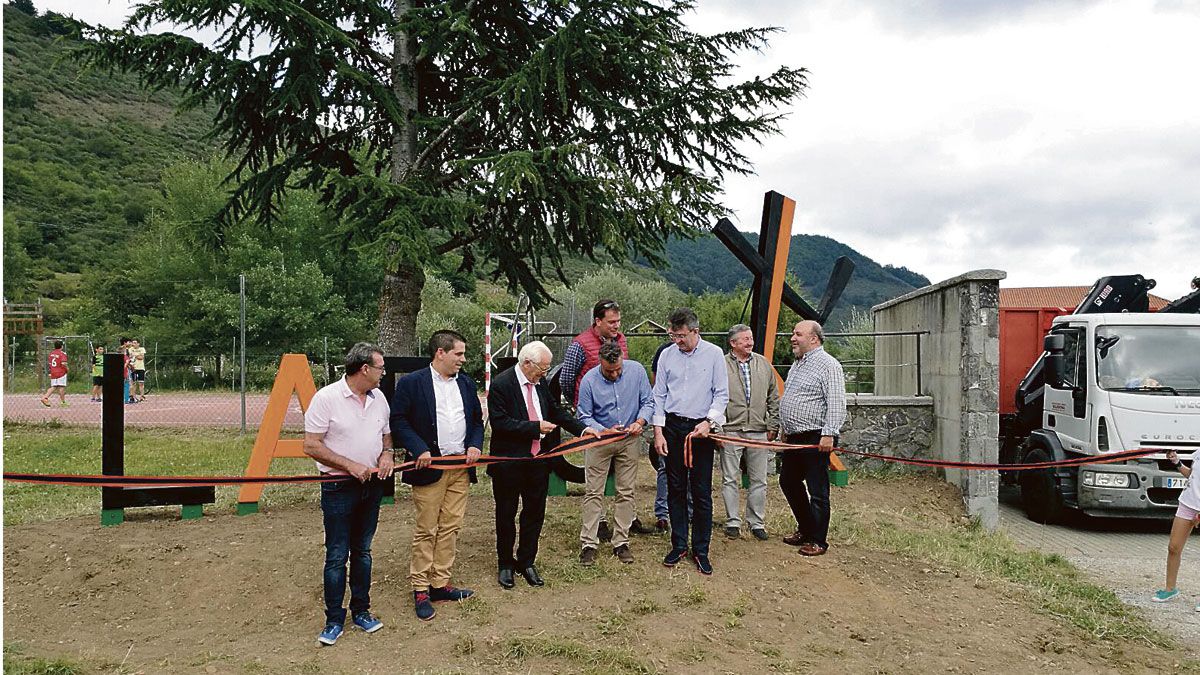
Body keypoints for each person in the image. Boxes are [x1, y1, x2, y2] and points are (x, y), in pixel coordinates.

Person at [302, 342, 395, 646]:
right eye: (380, 367)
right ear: (365, 369)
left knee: (364, 550)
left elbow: (386, 436)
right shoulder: (326, 398)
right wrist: (350, 465)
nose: (384, 373)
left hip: (372, 486)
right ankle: (333, 619)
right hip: (338, 487)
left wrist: (387, 456)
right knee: (337, 554)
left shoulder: (379, 398)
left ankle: (362, 611)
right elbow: (311, 445)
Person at [487, 341, 598, 589]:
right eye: (542, 369)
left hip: (538, 463)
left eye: (547, 370)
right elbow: (501, 423)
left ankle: (527, 561)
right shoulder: (501, 385)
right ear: (527, 363)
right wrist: (535, 428)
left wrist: (583, 429)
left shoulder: (540, 385)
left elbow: (556, 411)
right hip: (509, 463)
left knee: (534, 513)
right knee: (506, 514)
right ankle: (505, 563)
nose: (544, 374)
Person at [390, 330, 483, 621]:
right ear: (440, 353)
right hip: (429, 469)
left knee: (451, 527)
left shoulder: (466, 384)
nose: (463, 360)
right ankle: (420, 588)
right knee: (427, 528)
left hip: (460, 469)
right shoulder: (411, 383)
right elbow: (399, 420)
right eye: (458, 354)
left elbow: (477, 421)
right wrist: (418, 449)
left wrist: (474, 445)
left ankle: (440, 583)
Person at [558, 299, 652, 537]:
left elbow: (627, 376)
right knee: (595, 481)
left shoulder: (621, 342)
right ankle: (597, 523)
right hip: (595, 422)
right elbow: (567, 379)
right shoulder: (580, 344)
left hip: (624, 426)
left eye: (618, 321)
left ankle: (627, 521)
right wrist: (580, 406)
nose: (616, 326)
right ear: (597, 321)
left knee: (625, 483)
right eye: (611, 322)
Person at [652, 308, 729, 575]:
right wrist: (658, 432)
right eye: (673, 335)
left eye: (682, 335)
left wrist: (709, 422)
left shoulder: (715, 354)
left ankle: (701, 549)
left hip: (701, 430)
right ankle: (679, 544)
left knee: (701, 491)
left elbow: (721, 394)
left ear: (696, 331)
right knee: (675, 487)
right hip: (673, 427)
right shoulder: (666, 355)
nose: (677, 341)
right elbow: (658, 395)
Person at [575, 341, 654, 565]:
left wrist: (640, 421)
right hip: (600, 441)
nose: (615, 373)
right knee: (593, 492)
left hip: (630, 440)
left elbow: (648, 401)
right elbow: (584, 415)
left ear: (622, 360)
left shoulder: (637, 370)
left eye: (618, 368)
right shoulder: (589, 380)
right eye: (609, 371)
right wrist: (603, 430)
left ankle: (621, 541)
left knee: (626, 491)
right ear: (600, 363)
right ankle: (588, 544)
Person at [779, 320, 847, 557]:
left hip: (816, 436)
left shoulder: (829, 365)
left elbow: (837, 402)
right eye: (793, 334)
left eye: (798, 334)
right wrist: (784, 430)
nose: (792, 338)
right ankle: (806, 529)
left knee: (818, 490)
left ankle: (818, 540)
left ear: (814, 339)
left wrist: (829, 433)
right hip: (794, 437)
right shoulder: (798, 364)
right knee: (788, 481)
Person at [719, 324, 781, 541]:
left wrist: (773, 424)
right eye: (744, 339)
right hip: (730, 430)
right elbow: (714, 396)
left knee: (759, 479)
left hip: (758, 430)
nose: (750, 342)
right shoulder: (720, 365)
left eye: (751, 337)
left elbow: (773, 395)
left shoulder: (763, 363)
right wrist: (718, 428)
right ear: (733, 343)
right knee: (729, 478)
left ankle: (756, 523)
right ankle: (732, 522)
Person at [1153, 451, 1200, 605]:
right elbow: (1192, 476)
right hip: (1188, 503)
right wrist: (1177, 462)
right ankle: (1170, 589)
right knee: (1174, 547)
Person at [40, 340, 69, 408]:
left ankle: (45, 397)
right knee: (61, 387)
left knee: (54, 386)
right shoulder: (62, 353)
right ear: (61, 346)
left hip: (53, 372)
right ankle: (63, 402)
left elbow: (50, 363)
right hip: (61, 372)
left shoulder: (51, 353)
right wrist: (67, 368)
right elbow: (63, 363)